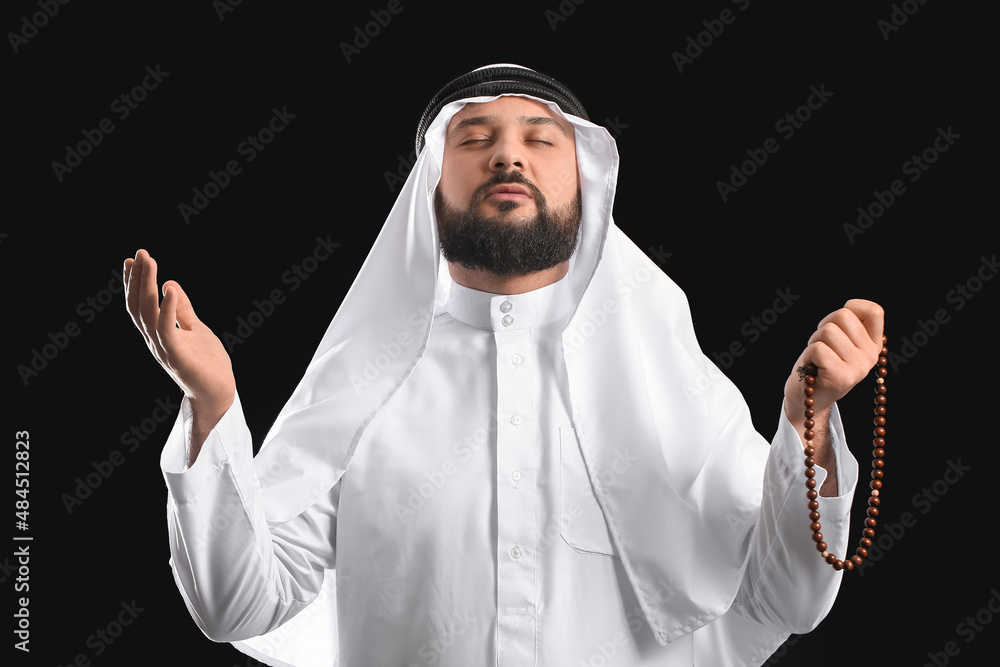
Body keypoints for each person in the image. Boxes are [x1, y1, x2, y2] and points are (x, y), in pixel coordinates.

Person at [124, 64, 884, 666]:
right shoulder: (365, 386)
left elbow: (791, 597)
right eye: (474, 137)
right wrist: (213, 406)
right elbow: (235, 606)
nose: (508, 152)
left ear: (586, 178)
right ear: (431, 188)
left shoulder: (664, 382)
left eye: (541, 138)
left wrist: (808, 425)